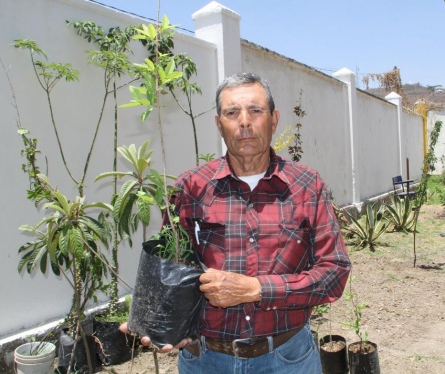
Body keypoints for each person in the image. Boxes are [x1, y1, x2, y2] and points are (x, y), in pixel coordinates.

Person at [121, 72, 351, 373]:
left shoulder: (307, 185)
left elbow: (334, 272)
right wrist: (158, 322)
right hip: (205, 360)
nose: (244, 122)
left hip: (287, 358)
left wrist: (256, 288)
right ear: (219, 124)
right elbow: (173, 267)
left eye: (255, 111)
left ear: (274, 119)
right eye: (232, 112)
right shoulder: (191, 187)